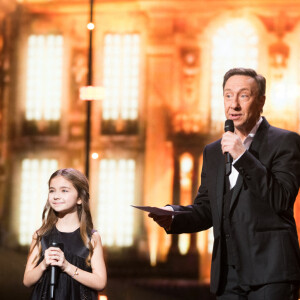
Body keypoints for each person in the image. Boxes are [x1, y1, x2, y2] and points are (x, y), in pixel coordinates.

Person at [149, 68, 300, 300]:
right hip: (228, 279)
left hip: (271, 275)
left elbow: (281, 199)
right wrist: (173, 215)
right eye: (228, 95)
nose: (234, 105)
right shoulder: (213, 152)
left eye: (243, 95)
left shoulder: (286, 142)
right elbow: (208, 209)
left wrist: (243, 157)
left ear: (261, 101)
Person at [23, 168, 107, 300]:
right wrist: (44, 264)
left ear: (79, 198)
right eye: (52, 190)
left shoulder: (91, 237)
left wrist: (67, 266)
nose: (56, 196)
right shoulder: (41, 235)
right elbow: (27, 280)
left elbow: (100, 282)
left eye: (64, 190)